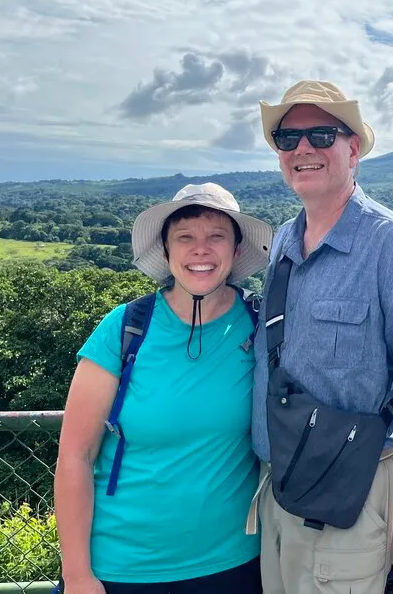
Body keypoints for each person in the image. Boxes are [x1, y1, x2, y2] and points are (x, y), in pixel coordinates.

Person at [251, 80, 393, 594]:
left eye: (322, 135)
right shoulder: (283, 243)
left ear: (353, 148)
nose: (303, 149)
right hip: (278, 491)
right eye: (287, 138)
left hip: (354, 497)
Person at [54, 183, 273, 594]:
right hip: (123, 567)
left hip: (236, 565)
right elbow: (75, 457)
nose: (200, 249)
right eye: (185, 237)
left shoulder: (262, 327)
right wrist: (79, 574)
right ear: (167, 251)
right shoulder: (124, 329)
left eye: (216, 236)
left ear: (237, 250)